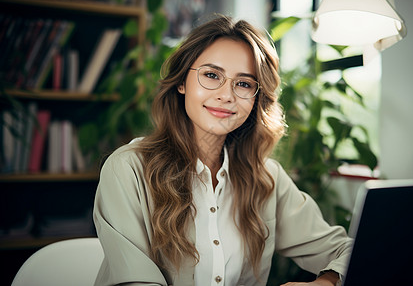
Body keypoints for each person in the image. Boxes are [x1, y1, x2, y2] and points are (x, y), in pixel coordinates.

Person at [93, 14, 352, 286]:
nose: (226, 95)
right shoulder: (127, 169)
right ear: (182, 82)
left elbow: (346, 250)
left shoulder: (266, 178)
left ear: (256, 97)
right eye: (211, 75)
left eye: (243, 83)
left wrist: (328, 281)